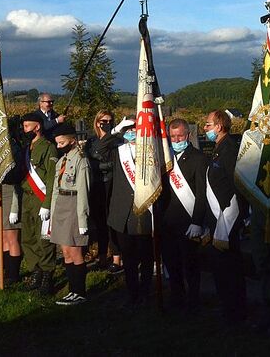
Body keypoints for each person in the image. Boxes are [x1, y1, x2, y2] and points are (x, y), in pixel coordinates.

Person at [105, 117, 157, 306]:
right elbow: (98, 149)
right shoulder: (119, 150)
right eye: (129, 129)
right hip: (122, 212)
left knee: (145, 256)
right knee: (128, 257)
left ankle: (145, 291)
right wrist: (117, 130)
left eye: (135, 128)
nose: (132, 131)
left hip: (144, 211)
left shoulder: (152, 149)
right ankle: (132, 292)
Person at [203, 110, 247, 324]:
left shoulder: (229, 149)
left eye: (208, 125)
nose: (205, 129)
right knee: (220, 267)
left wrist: (235, 218)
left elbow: (236, 184)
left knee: (230, 267)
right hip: (217, 217)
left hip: (227, 218)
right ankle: (227, 307)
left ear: (219, 126)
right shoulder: (218, 148)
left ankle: (235, 310)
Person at [160, 118, 209, 310]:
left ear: (188, 135)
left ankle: (194, 301)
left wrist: (197, 222)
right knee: (172, 265)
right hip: (167, 222)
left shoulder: (199, 158)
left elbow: (201, 194)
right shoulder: (164, 156)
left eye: (180, 135)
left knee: (190, 265)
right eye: (172, 136)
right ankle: (176, 299)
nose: (176, 139)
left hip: (188, 222)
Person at [50, 124, 91, 305]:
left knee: (75, 251)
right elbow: (55, 189)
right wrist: (52, 214)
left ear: (72, 141)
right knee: (65, 251)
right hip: (61, 206)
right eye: (58, 144)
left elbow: (83, 190)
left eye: (62, 143)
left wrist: (83, 218)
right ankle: (71, 289)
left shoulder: (81, 161)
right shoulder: (62, 161)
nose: (59, 146)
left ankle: (79, 291)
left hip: (74, 205)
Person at [20, 111, 58, 295]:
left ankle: (47, 275)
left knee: (44, 239)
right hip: (26, 197)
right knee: (28, 238)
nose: (24, 129)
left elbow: (52, 178)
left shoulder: (48, 147)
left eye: (27, 126)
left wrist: (47, 203)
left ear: (37, 126)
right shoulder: (27, 148)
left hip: (40, 198)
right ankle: (36, 270)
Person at [82, 110, 122, 273]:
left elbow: (113, 160)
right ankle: (102, 255)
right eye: (103, 120)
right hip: (95, 184)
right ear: (97, 122)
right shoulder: (91, 141)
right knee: (99, 223)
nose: (106, 123)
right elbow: (91, 155)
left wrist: (101, 163)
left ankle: (117, 257)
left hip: (112, 184)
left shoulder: (116, 140)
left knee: (111, 221)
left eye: (110, 120)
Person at [0, 119, 25, 285]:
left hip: (11, 191)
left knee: (12, 236)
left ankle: (13, 274)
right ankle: (5, 271)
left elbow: (17, 175)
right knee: (2, 236)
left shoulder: (14, 147)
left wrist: (14, 207)